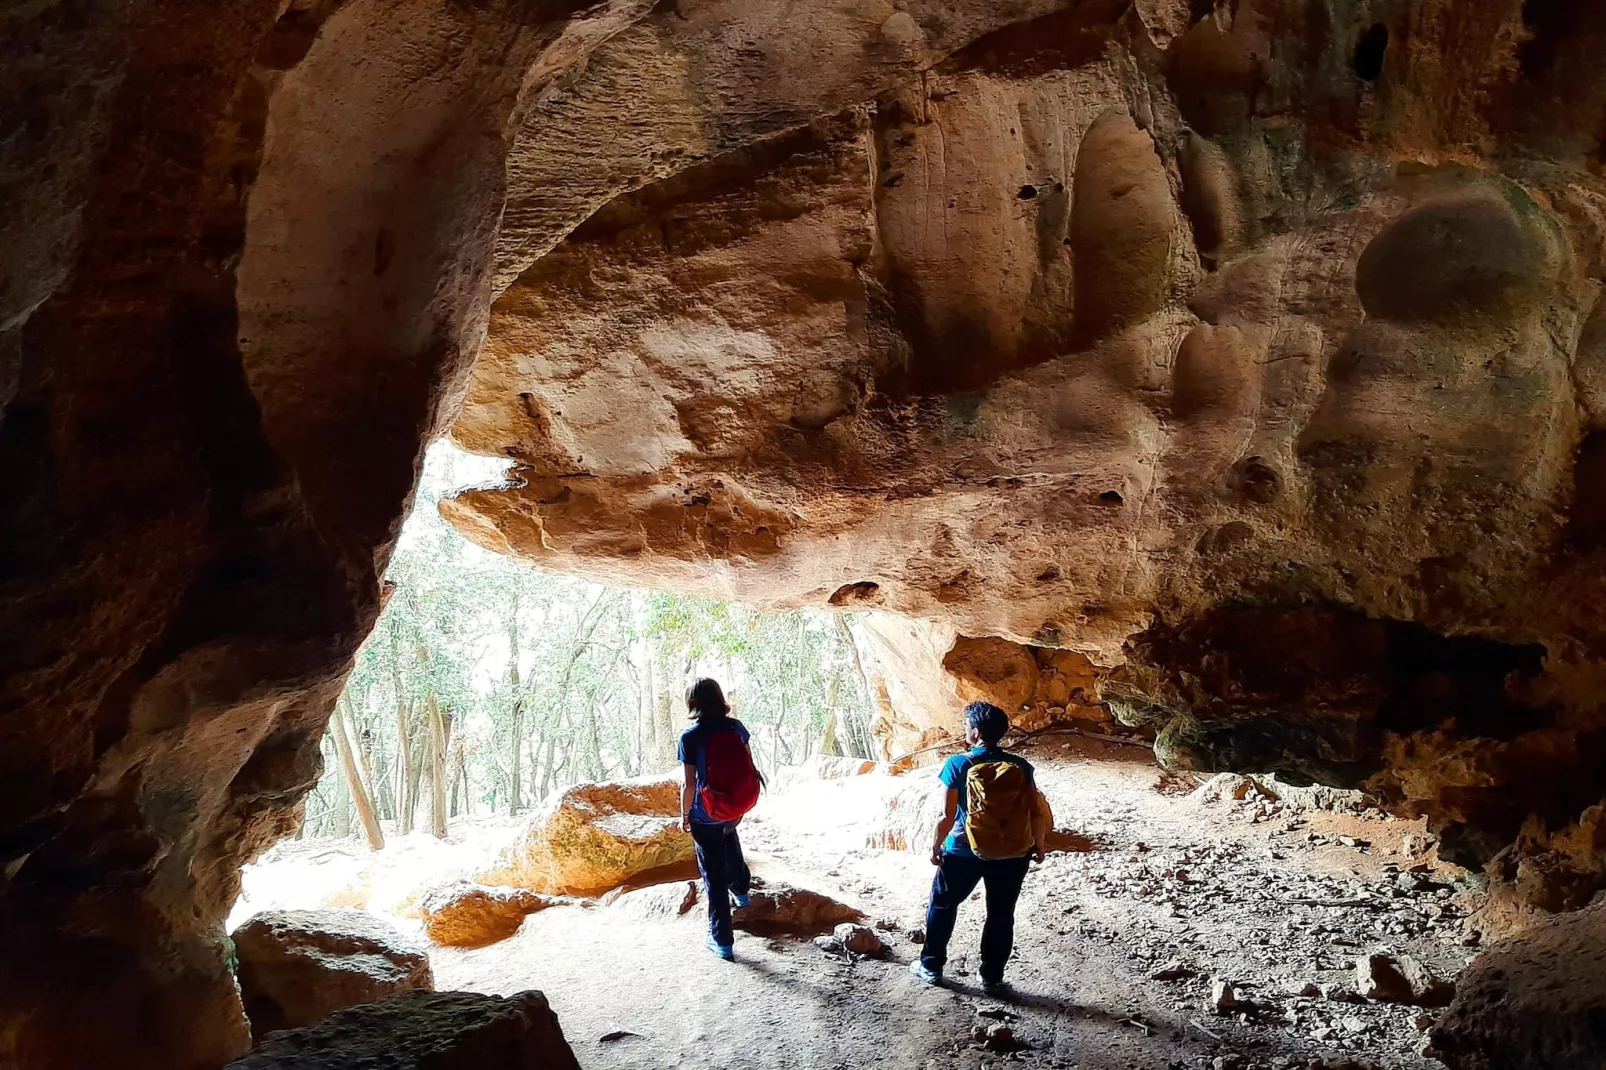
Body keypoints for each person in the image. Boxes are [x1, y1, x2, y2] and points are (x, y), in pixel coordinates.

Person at [910, 700, 1047, 996]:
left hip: (963, 850)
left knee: (944, 904)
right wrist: (1039, 845)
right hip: (1012, 852)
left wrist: (936, 844)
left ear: (974, 733)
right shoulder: (1021, 766)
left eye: (965, 727)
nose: (964, 732)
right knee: (1000, 912)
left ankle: (931, 966)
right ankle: (992, 977)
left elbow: (946, 815)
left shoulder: (958, 764)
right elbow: (1035, 812)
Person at [679, 678, 757, 961]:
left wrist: (685, 815)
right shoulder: (735, 727)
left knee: (712, 875)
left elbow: (689, 785)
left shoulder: (690, 737)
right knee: (729, 836)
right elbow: (748, 765)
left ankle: (721, 940)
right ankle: (742, 891)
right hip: (736, 806)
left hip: (706, 812)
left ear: (693, 703)